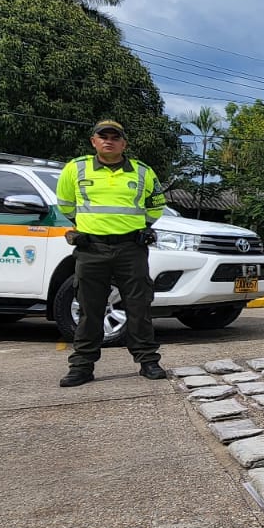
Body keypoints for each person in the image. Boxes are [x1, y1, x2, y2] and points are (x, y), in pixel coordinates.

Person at [55, 120, 168, 386]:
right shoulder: (76, 168)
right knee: (89, 308)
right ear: (93, 141)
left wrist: (141, 227)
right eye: (102, 136)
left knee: (139, 307)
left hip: (131, 248)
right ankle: (82, 367)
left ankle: (148, 361)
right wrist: (87, 226)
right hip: (91, 248)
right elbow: (65, 204)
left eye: (114, 137)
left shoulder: (142, 171)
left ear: (123, 143)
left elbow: (156, 205)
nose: (109, 141)